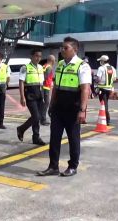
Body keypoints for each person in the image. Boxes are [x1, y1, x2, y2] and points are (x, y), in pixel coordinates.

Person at [37, 36, 91, 177]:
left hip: (73, 109)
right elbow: (55, 87)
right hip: (58, 108)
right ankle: (53, 166)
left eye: (65, 47)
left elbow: (85, 89)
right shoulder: (60, 64)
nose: (62, 50)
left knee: (73, 139)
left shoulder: (82, 66)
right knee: (54, 138)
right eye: (62, 47)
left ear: (75, 49)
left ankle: (73, 166)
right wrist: (51, 104)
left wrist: (82, 110)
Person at [16, 49, 46, 146]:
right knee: (36, 116)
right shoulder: (25, 67)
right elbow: (21, 82)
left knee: (39, 116)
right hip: (30, 94)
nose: (38, 58)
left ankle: (35, 137)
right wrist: (22, 97)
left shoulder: (41, 67)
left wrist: (44, 95)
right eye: (36, 56)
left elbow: (42, 83)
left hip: (39, 94)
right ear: (32, 56)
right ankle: (22, 129)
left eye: (40, 56)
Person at [96, 55, 116, 126]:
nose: (100, 62)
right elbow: (114, 79)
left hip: (102, 89)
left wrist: (96, 81)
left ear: (103, 61)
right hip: (109, 89)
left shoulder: (101, 68)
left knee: (104, 105)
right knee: (105, 103)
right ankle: (106, 119)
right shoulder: (112, 68)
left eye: (101, 60)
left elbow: (98, 79)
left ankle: (107, 120)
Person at [41, 55, 55, 126]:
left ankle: (42, 118)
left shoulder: (44, 66)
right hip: (46, 87)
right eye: (54, 61)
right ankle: (43, 119)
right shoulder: (49, 67)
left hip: (44, 87)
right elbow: (45, 77)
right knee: (46, 104)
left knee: (44, 104)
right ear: (52, 60)